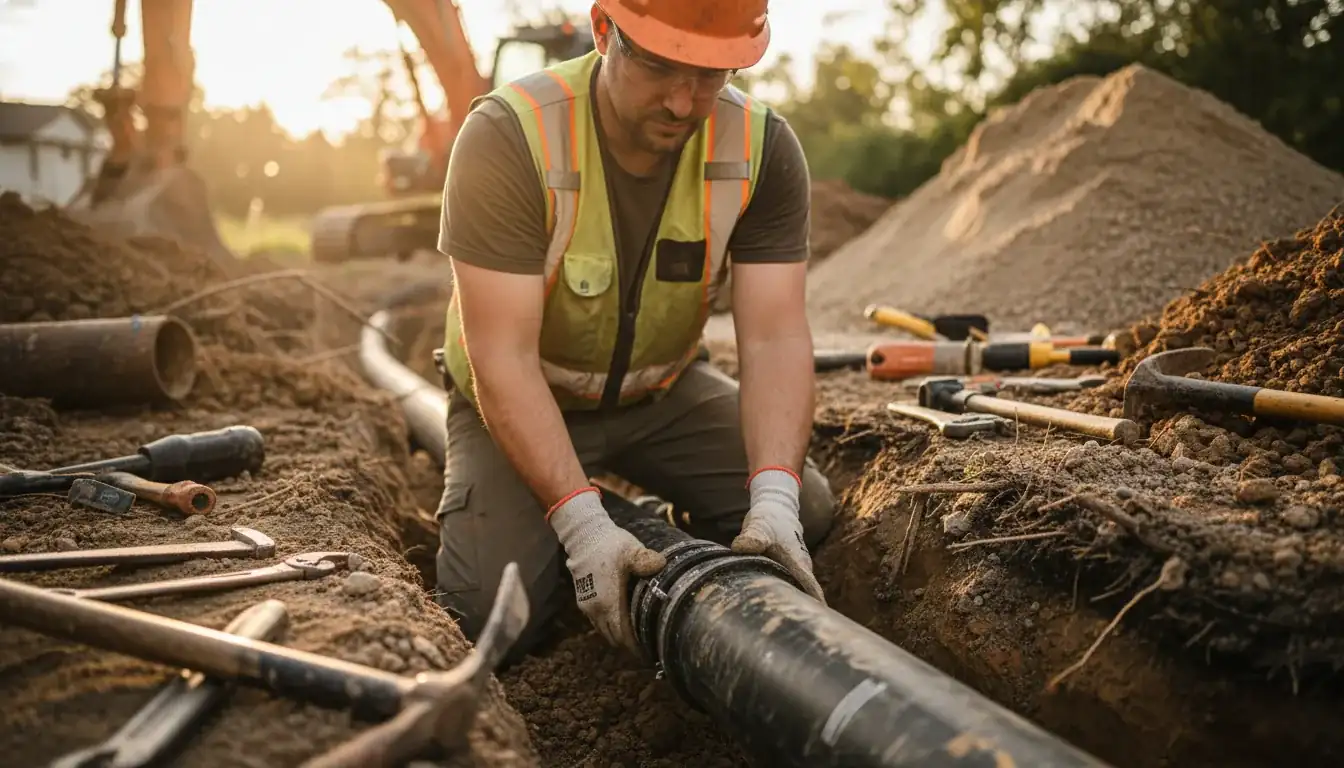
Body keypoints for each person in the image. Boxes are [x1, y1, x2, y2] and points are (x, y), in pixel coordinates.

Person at [433, 0, 835, 658]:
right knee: (488, 617)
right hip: (521, 395)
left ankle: (642, 524)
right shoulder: (510, 136)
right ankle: (570, 521)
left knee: (806, 508)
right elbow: (501, 356)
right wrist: (583, 527)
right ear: (601, 31)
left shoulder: (763, 148)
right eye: (661, 68)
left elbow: (775, 338)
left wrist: (772, 501)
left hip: (660, 396)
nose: (684, 102)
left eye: (711, 75)